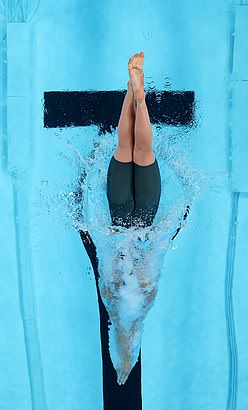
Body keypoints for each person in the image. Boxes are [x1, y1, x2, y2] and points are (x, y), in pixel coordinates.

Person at [104, 52, 161, 384]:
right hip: (119, 215)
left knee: (139, 153)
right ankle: (132, 90)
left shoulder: (140, 293)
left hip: (145, 220)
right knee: (126, 149)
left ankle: (137, 93)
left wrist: (125, 359)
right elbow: (125, 328)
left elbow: (128, 328)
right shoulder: (117, 292)